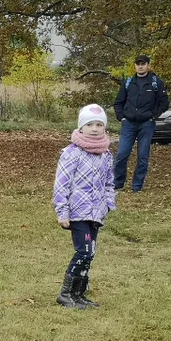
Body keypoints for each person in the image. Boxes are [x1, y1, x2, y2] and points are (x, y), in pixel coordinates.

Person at [53, 104, 115, 308]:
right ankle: (66, 294)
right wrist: (62, 211)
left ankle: (79, 293)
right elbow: (61, 184)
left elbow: (109, 183)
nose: (95, 128)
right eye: (90, 124)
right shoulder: (71, 153)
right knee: (84, 252)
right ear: (81, 127)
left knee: (91, 253)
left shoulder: (106, 155)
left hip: (95, 214)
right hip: (77, 212)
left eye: (99, 124)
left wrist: (107, 204)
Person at [112, 54, 169, 192]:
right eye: (138, 64)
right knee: (121, 155)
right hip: (129, 124)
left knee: (143, 156)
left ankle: (137, 187)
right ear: (135, 66)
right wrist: (122, 117)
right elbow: (118, 102)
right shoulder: (128, 82)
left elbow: (164, 103)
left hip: (147, 124)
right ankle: (118, 184)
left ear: (148, 66)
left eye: (143, 64)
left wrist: (153, 117)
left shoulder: (156, 82)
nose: (140, 66)